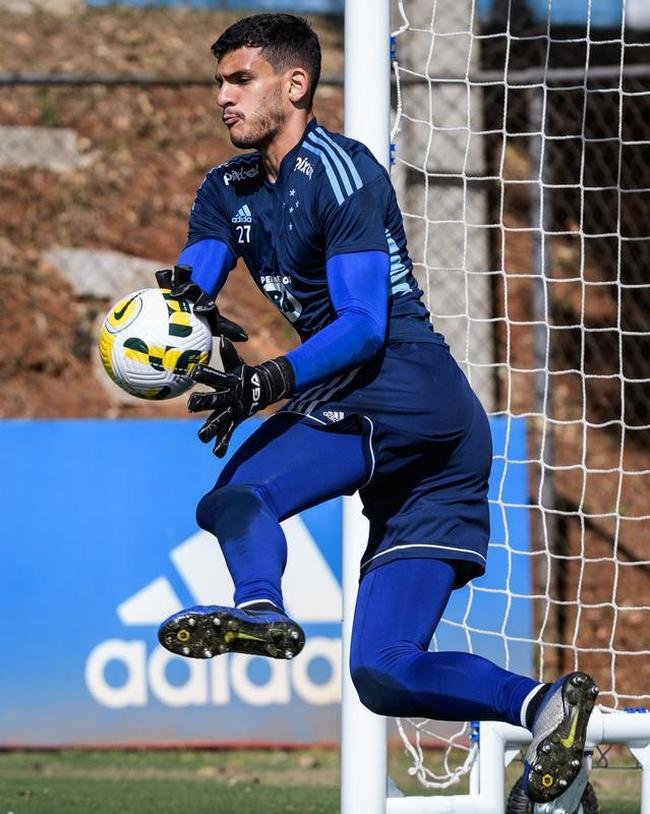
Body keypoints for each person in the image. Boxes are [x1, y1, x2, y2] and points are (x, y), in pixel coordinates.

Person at [156, 13, 598, 804]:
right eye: (219, 80)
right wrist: (175, 310)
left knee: (236, 497)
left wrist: (268, 381)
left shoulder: (343, 171)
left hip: (398, 384)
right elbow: (199, 273)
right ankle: (544, 708)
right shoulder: (227, 190)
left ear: (295, 85)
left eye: (240, 79)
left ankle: (260, 607)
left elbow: (364, 326)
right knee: (384, 671)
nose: (222, 96)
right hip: (435, 439)